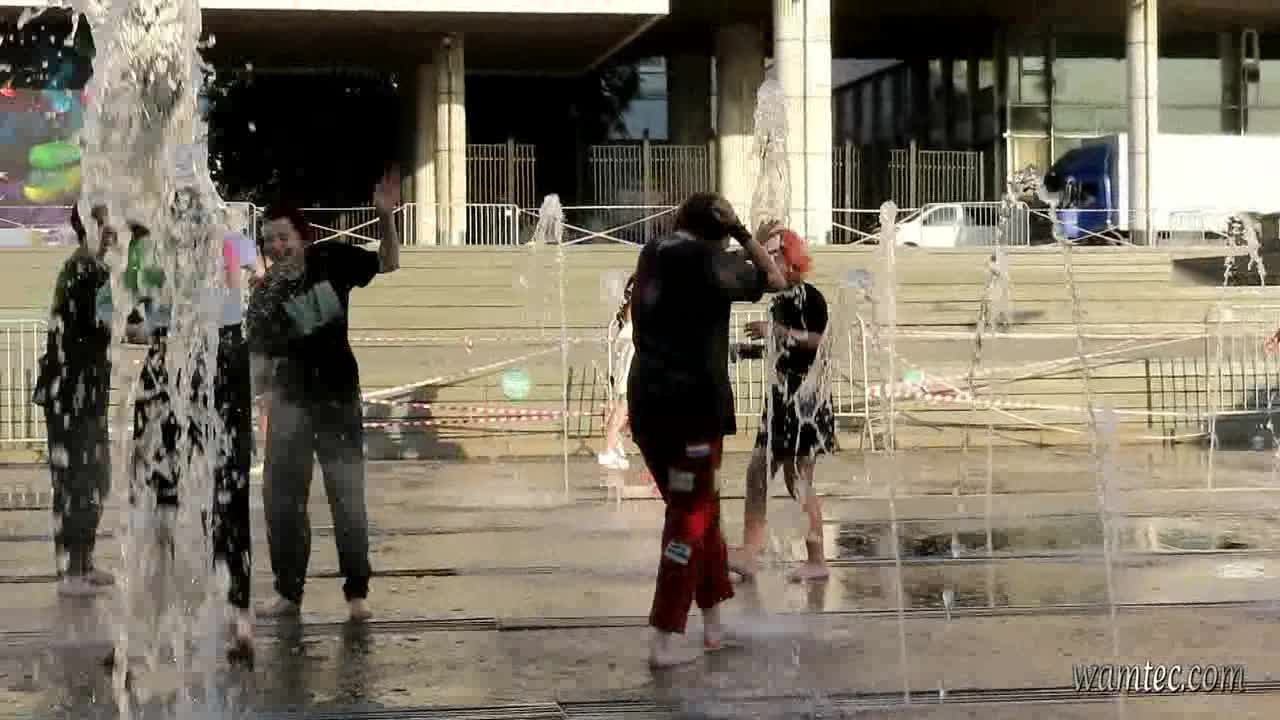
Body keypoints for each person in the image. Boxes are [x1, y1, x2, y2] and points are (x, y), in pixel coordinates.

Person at [627, 192, 787, 668]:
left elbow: (710, 266)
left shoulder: (655, 251)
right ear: (720, 231)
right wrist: (744, 233)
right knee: (690, 517)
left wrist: (733, 240)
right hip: (692, 412)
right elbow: (776, 279)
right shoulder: (710, 261)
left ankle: (714, 625)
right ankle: (664, 636)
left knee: (704, 511)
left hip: (648, 408)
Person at [249, 169, 400, 622]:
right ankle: (287, 592)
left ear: (303, 236)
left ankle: (357, 592)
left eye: (283, 237)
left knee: (346, 496)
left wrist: (385, 217)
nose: (276, 247)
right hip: (289, 402)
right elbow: (260, 362)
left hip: (337, 399)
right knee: (281, 499)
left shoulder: (332, 259)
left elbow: (388, 262)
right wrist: (248, 403)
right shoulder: (266, 295)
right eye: (268, 241)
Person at [118, 190, 259, 656]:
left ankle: (234, 616)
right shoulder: (158, 248)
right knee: (165, 495)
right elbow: (133, 313)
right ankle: (155, 618)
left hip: (211, 355)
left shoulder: (226, 241)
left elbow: (245, 281)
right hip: (187, 355)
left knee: (218, 489)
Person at [729, 228, 835, 583]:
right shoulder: (780, 300)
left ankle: (817, 559)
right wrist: (748, 350)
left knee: (797, 479)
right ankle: (749, 554)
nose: (767, 259)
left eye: (773, 253)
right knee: (758, 472)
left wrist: (776, 332)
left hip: (805, 399)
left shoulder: (810, 297)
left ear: (790, 259)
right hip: (781, 399)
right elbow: (784, 348)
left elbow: (819, 341)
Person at [33, 204, 115, 597]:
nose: (113, 230)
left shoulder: (86, 267)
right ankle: (72, 570)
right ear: (91, 227)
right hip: (72, 391)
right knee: (79, 479)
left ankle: (83, 561)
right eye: (106, 222)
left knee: (93, 477)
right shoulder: (87, 270)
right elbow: (104, 327)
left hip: (80, 389)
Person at [598, 274, 636, 471]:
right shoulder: (634, 303)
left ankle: (614, 446)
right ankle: (608, 450)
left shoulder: (634, 303)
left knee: (625, 408)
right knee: (623, 407)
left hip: (631, 359)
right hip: (631, 360)